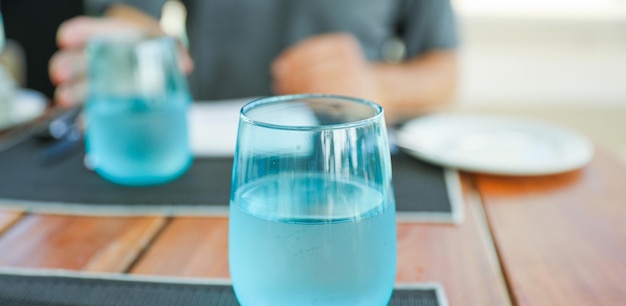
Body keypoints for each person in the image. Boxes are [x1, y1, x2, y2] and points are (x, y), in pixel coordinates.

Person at [49, 0, 459, 124]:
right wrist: (130, 51)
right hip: (213, 165)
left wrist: (378, 87)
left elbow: (445, 69)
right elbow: (132, 14)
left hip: (354, 164)